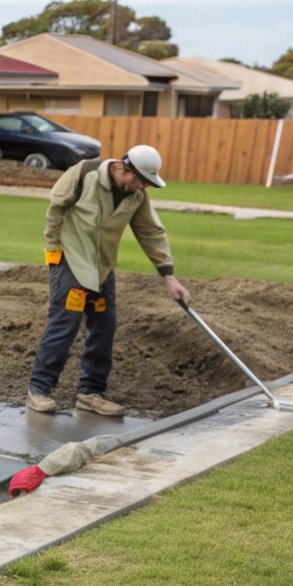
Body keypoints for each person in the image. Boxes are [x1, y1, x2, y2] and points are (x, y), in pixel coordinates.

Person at [28, 145, 191, 416]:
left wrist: (169, 277)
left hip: (101, 268)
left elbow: (150, 231)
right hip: (71, 260)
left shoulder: (136, 194)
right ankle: (38, 389)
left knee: (105, 327)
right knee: (64, 324)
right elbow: (56, 209)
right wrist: (53, 251)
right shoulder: (84, 174)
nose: (142, 187)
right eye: (140, 180)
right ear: (121, 168)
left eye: (147, 184)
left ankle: (90, 393)